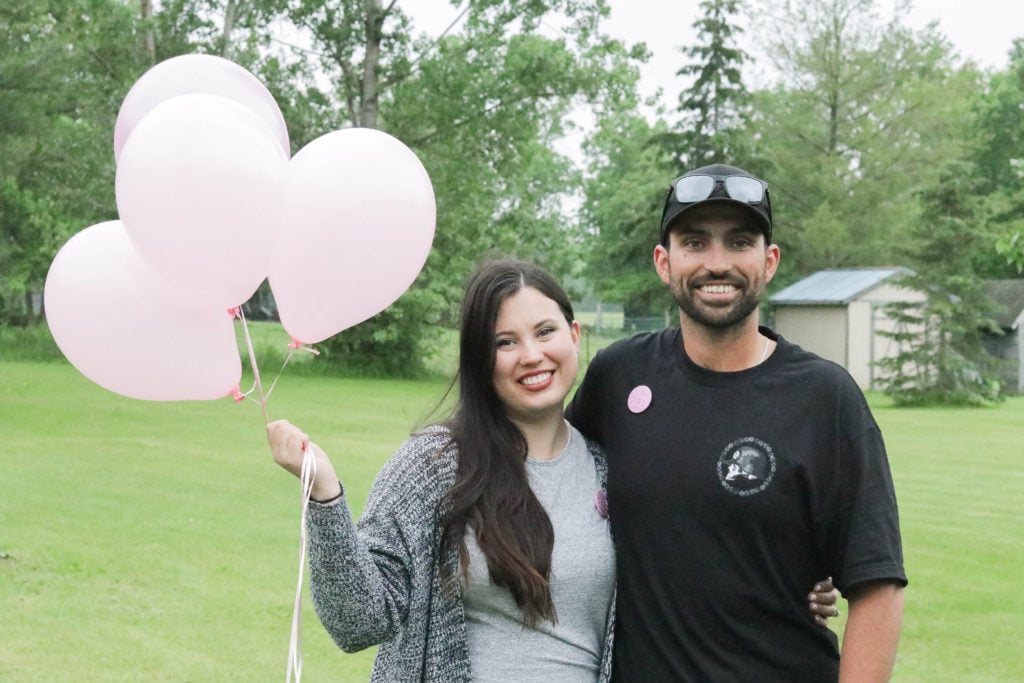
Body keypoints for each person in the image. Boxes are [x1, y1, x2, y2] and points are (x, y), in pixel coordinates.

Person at [268, 258, 840, 682]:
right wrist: (324, 495)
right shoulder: (434, 466)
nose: (532, 355)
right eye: (505, 342)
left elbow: (688, 554)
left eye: (545, 332)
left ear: (574, 335)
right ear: (479, 360)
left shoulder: (609, 465)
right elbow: (358, 621)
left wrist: (793, 581)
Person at [566, 163, 907, 682]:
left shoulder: (824, 397)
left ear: (769, 261)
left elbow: (877, 587)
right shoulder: (618, 376)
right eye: (696, 243)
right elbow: (543, 478)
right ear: (664, 261)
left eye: (740, 241)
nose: (717, 263)